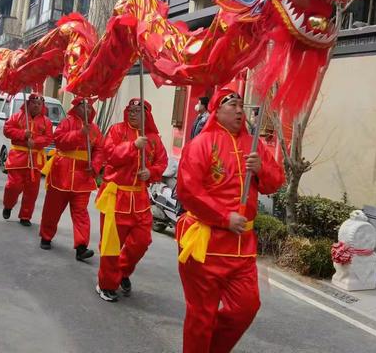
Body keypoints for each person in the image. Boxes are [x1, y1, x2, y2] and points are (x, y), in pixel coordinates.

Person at [176, 88, 284, 353]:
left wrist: (262, 169)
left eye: (240, 106)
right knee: (201, 315)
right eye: (232, 105)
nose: (239, 111)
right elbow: (189, 191)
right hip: (206, 243)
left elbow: (275, 182)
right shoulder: (201, 144)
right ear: (217, 111)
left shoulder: (254, 144)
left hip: (242, 248)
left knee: (245, 308)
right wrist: (224, 217)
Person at [95, 98, 168, 302]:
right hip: (116, 196)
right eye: (131, 110)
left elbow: (162, 162)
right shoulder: (117, 131)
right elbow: (111, 156)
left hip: (140, 199)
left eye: (138, 111)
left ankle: (122, 272)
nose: (133, 113)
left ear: (147, 115)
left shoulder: (153, 138)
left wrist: (151, 172)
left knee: (141, 241)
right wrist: (133, 146)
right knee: (111, 244)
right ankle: (107, 284)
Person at [39, 97, 104, 262]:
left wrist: (95, 166)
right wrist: (79, 134)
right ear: (76, 108)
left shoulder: (95, 129)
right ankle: (46, 235)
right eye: (83, 106)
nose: (87, 110)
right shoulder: (66, 123)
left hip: (83, 177)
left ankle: (81, 247)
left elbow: (100, 150)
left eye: (89, 107)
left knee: (81, 213)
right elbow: (59, 142)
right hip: (61, 173)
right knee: (52, 209)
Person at [2, 93, 53, 227]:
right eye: (34, 103)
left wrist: (35, 142)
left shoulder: (46, 121)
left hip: (35, 160)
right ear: (28, 104)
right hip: (17, 158)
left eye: (39, 104)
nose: (36, 106)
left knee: (32, 191)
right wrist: (23, 134)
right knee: (13, 186)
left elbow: (48, 138)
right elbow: (7, 130)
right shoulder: (17, 116)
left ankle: (25, 215)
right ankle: (8, 205)